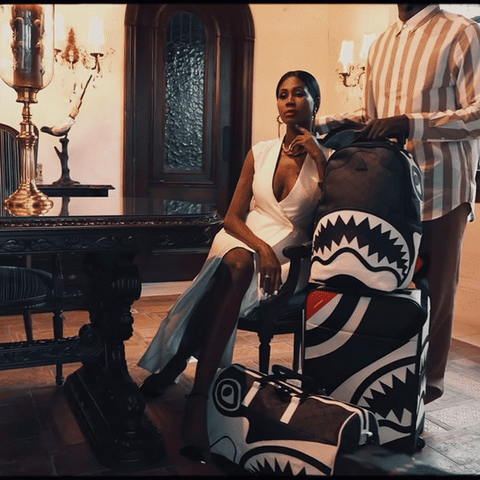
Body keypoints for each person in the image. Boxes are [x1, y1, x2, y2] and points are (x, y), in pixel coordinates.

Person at [138, 70, 328, 463]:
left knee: (223, 286)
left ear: (315, 102)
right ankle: (199, 398)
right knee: (239, 263)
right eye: (282, 94)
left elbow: (332, 214)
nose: (289, 101)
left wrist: (319, 158)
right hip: (245, 238)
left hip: (290, 254)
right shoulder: (260, 152)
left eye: (299, 94)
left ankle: (178, 365)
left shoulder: (328, 159)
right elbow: (232, 218)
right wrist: (262, 249)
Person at [316, 4, 480, 404]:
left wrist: (411, 123)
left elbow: (477, 114)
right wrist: (321, 123)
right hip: (388, 186)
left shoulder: (461, 32)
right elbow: (373, 117)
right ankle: (383, 384)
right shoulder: (382, 44)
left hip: (443, 187)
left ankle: (424, 392)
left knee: (435, 293)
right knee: (384, 286)